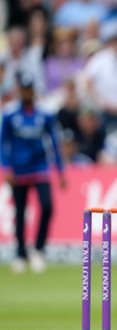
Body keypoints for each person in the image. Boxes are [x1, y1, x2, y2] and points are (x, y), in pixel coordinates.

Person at [0, 72, 67, 273]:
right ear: (20, 91)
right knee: (20, 212)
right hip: (18, 170)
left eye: (30, 89)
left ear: (34, 91)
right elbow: (3, 142)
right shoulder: (10, 113)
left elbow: (55, 142)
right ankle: (20, 254)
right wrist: (6, 168)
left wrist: (61, 171)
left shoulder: (45, 114)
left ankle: (38, 250)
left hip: (40, 168)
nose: (27, 93)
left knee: (47, 207)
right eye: (24, 89)